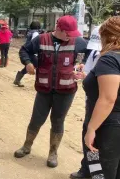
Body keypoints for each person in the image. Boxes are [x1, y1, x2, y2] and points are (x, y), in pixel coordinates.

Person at [14, 15, 87, 168]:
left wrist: (81, 67)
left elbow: (85, 58)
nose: (70, 36)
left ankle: (53, 152)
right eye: (68, 33)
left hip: (66, 90)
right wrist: (27, 63)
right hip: (44, 89)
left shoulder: (79, 42)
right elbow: (24, 51)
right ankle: (27, 146)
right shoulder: (41, 39)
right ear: (58, 28)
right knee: (36, 119)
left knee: (58, 121)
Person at [83, 16, 120, 179]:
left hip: (105, 126)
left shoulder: (109, 59)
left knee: (98, 171)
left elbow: (108, 98)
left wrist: (91, 129)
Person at [70, 25, 102, 179]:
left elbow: (108, 96)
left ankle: (94, 173)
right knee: (90, 143)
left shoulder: (111, 58)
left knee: (95, 143)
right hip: (92, 103)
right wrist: (83, 71)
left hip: (104, 109)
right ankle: (87, 169)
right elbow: (90, 72)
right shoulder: (96, 52)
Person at [13, 21, 41, 87]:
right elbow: (35, 43)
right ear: (38, 27)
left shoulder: (29, 32)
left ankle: (17, 80)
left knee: (30, 65)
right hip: (31, 52)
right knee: (39, 66)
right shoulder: (36, 33)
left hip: (27, 50)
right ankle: (40, 82)